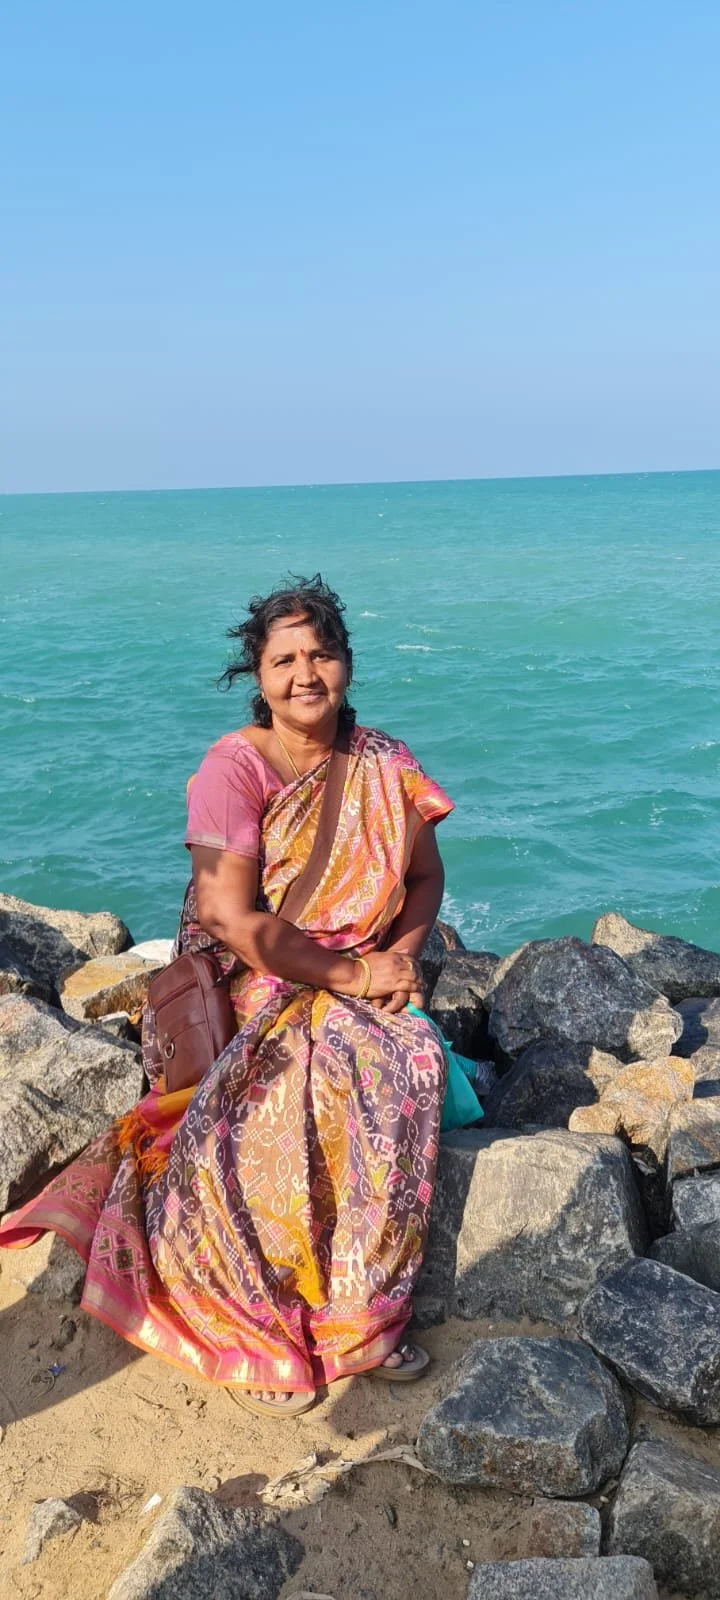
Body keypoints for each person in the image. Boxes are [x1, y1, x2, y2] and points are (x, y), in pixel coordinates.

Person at [0, 577, 453, 1416]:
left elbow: (425, 879)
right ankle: (250, 1312)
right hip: (262, 980)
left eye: (321, 653)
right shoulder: (233, 768)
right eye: (285, 659)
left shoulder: (385, 766)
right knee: (289, 1093)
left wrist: (401, 962)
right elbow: (229, 915)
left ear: (348, 662)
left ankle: (361, 1315)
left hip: (361, 978)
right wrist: (353, 977)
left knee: (408, 1063)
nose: (305, 673)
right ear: (259, 673)